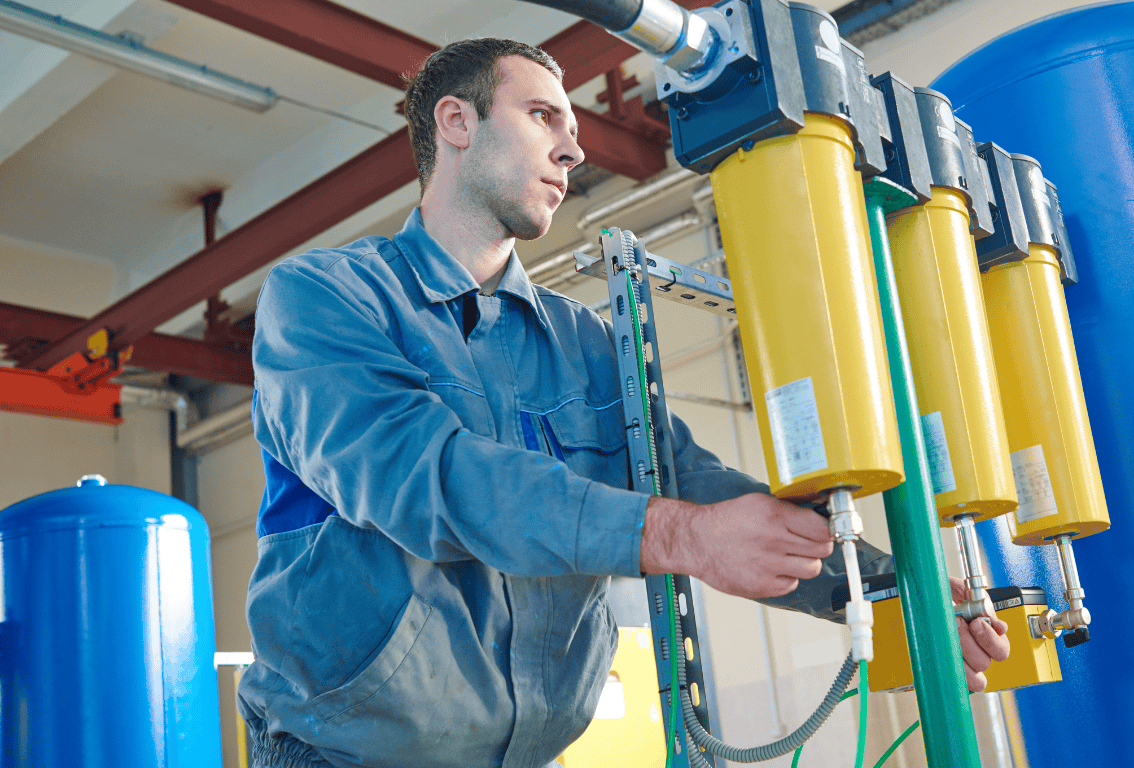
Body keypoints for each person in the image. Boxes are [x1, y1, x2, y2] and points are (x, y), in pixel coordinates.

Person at [239, 38, 1009, 768]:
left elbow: (685, 482)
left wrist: (887, 590)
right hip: (341, 754)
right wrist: (684, 538)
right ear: (456, 121)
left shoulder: (585, 341)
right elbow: (425, 478)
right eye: (543, 115)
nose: (573, 150)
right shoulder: (326, 297)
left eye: (574, 129)